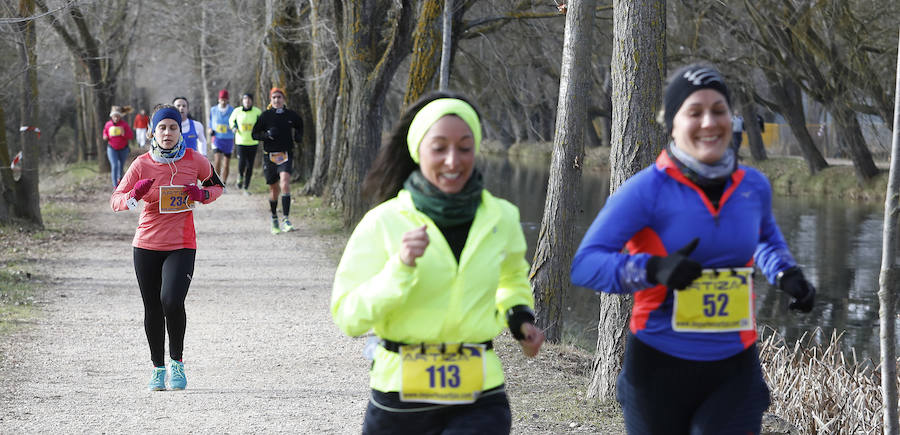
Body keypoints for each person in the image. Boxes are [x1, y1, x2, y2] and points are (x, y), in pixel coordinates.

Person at [570, 64, 815, 435]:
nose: (708, 123)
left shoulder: (753, 186)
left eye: (718, 110)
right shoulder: (645, 191)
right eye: (694, 112)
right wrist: (653, 269)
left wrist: (785, 272)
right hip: (658, 368)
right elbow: (586, 265)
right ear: (672, 123)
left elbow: (765, 238)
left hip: (735, 367)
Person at [331, 91, 545, 434]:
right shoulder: (383, 221)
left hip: (479, 394)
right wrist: (399, 268)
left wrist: (520, 318)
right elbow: (348, 316)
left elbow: (512, 279)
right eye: (439, 147)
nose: (452, 161)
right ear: (418, 151)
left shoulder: (501, 217)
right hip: (399, 396)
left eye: (464, 148)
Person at [109, 104, 224, 391]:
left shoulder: (195, 160)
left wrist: (202, 194)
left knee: (171, 301)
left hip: (182, 244)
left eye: (173, 127)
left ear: (180, 129)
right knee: (152, 308)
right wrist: (134, 195)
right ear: (153, 132)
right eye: (162, 128)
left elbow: (218, 186)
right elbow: (115, 200)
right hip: (146, 244)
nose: (168, 133)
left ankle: (177, 363)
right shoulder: (142, 164)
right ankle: (158, 369)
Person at [251, 88, 302, 234]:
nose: (277, 100)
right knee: (274, 189)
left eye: (279, 97)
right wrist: (267, 135)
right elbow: (254, 134)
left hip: (286, 154)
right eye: (274, 97)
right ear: (270, 99)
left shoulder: (291, 115)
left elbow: (300, 124)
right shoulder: (265, 116)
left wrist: (299, 135)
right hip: (270, 156)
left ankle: (286, 219)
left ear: (284, 99)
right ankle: (274, 218)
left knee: (285, 182)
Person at [228, 92, 262, 194]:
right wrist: (234, 127)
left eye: (249, 99)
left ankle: (246, 187)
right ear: (242, 101)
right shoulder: (237, 111)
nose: (247, 101)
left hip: (253, 142)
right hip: (241, 141)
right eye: (245, 99)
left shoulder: (257, 112)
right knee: (242, 162)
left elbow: (262, 123)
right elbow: (231, 121)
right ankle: (240, 177)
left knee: (250, 165)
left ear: (252, 101)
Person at [103, 105, 135, 188]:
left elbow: (131, 136)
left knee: (121, 166)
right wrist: (105, 136)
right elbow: (105, 133)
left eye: (117, 116)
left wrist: (124, 134)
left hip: (123, 149)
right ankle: (115, 186)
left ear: (120, 116)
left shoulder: (124, 125)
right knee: (114, 165)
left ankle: (120, 181)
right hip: (112, 148)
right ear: (112, 116)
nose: (116, 118)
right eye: (114, 116)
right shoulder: (108, 124)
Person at [208, 89, 235, 186]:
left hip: (228, 138)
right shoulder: (213, 110)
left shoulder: (232, 110)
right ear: (218, 100)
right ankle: (217, 182)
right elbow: (210, 121)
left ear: (227, 100)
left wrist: (233, 127)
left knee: (226, 163)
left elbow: (235, 122)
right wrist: (210, 129)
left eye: (225, 99)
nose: (223, 101)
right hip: (217, 138)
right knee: (217, 160)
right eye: (221, 99)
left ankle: (224, 183)